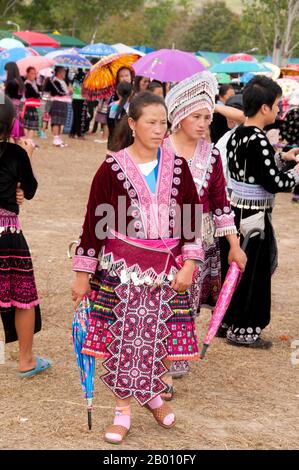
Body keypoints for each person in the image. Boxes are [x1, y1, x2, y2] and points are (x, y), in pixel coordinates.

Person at [72, 91, 203, 444]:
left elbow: (191, 219)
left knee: (159, 338)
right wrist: (82, 275)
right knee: (122, 340)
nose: (160, 129)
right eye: (151, 122)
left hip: (166, 270)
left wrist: (190, 263)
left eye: (164, 123)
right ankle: (122, 411)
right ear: (132, 124)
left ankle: (152, 394)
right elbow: (94, 225)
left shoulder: (178, 168)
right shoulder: (112, 168)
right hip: (121, 270)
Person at [163, 72, 246, 394]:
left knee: (184, 302)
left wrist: (234, 245)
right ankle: (157, 360)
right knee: (157, 301)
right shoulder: (157, 149)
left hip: (197, 243)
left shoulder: (211, 156)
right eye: (196, 116)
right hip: (157, 242)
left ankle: (172, 358)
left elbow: (220, 203)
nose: (202, 123)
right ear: (180, 116)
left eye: (207, 117)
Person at [219, 76, 299, 348]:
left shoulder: (238, 135)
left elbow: (253, 171)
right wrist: (296, 174)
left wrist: (281, 159)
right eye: (277, 106)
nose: (278, 111)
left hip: (236, 212)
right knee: (253, 271)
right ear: (264, 108)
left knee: (232, 267)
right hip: (255, 217)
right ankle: (245, 328)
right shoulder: (259, 139)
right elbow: (273, 182)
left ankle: (228, 320)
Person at [0, 94, 51, 377]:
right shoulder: (15, 153)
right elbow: (28, 190)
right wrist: (27, 155)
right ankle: (26, 360)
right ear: (10, 124)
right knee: (23, 297)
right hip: (7, 233)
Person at [45, 66, 72, 147]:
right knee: (56, 121)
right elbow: (59, 92)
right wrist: (68, 91)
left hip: (63, 102)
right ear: (58, 72)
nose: (64, 73)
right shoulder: (54, 81)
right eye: (63, 71)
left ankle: (58, 139)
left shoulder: (63, 81)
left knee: (60, 122)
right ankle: (55, 139)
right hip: (57, 102)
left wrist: (68, 90)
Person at [107, 81, 132, 149]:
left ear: (117, 92)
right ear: (131, 92)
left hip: (111, 144)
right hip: (127, 145)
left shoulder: (111, 106)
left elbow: (109, 125)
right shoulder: (131, 108)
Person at [4, 62, 25, 141]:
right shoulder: (20, 82)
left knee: (10, 132)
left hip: (10, 107)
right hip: (18, 108)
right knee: (16, 132)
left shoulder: (10, 83)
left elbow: (5, 98)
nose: (6, 73)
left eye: (6, 71)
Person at [22, 67, 41, 147]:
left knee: (32, 125)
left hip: (34, 105)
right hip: (29, 105)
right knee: (28, 124)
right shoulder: (27, 83)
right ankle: (27, 141)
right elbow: (34, 94)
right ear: (28, 74)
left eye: (35, 73)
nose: (34, 75)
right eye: (32, 73)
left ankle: (29, 141)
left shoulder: (34, 83)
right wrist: (38, 94)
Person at [69, 69, 88, 140]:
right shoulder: (84, 80)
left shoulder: (75, 79)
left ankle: (72, 132)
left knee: (76, 117)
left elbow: (73, 89)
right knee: (82, 117)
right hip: (82, 100)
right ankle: (80, 134)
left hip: (74, 99)